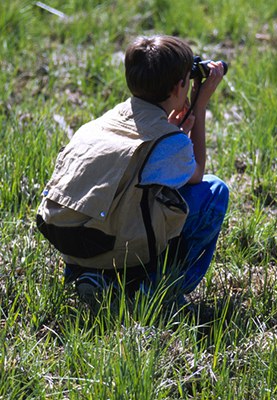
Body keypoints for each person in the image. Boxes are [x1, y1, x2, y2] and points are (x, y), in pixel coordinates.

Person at [36, 35, 229, 309]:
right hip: (108, 243)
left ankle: (93, 275)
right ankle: (152, 290)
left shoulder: (108, 119)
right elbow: (196, 173)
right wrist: (200, 105)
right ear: (178, 87)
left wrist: (173, 132)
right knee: (214, 191)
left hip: (68, 237)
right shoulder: (167, 142)